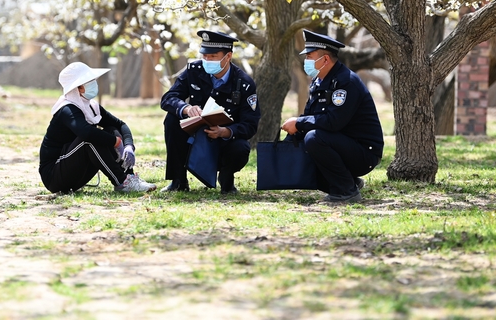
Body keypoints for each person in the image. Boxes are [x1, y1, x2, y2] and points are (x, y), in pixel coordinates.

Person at [281, 30, 383, 203]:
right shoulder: (319, 81)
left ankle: (347, 192)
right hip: (342, 144)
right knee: (301, 140)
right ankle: (348, 182)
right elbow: (311, 117)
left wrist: (299, 123)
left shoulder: (346, 82)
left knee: (314, 138)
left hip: (364, 153)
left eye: (310, 56)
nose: (307, 61)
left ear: (325, 59)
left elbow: (333, 122)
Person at [160, 30, 260, 194]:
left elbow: (250, 124)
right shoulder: (194, 70)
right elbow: (168, 98)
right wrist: (186, 108)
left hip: (224, 139)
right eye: (204, 56)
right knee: (172, 120)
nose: (207, 60)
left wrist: (226, 131)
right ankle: (178, 180)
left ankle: (227, 179)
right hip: (194, 133)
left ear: (228, 57)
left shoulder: (244, 83)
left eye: (212, 57)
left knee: (241, 148)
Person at [39, 62, 156, 194]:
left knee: (111, 129)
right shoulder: (67, 109)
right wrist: (116, 142)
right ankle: (122, 182)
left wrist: (128, 145)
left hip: (77, 175)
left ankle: (130, 177)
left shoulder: (92, 107)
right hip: (54, 175)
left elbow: (120, 125)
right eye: (89, 81)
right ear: (78, 88)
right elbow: (86, 132)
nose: (94, 83)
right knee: (89, 139)